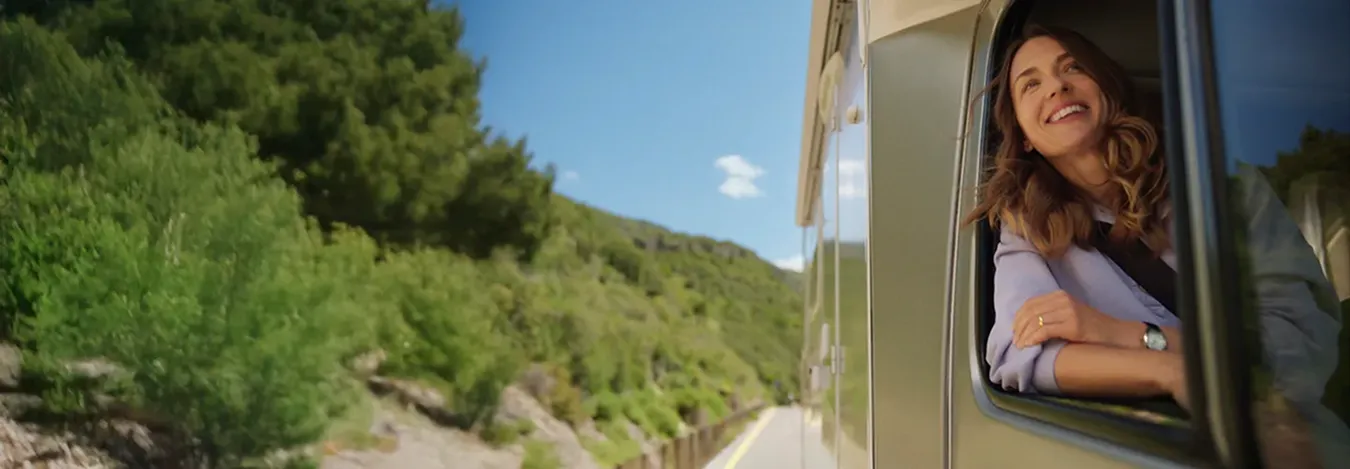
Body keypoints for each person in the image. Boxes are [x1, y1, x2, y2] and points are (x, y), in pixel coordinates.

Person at [964, 23, 1344, 423]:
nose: (1057, 87)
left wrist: (1119, 334)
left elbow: (1302, 346)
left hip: (1281, 432)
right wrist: (1169, 372)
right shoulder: (1027, 227)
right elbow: (1021, 357)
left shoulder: (1222, 185)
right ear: (1024, 137)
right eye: (1031, 85)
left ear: (1104, 87)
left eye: (1073, 67)